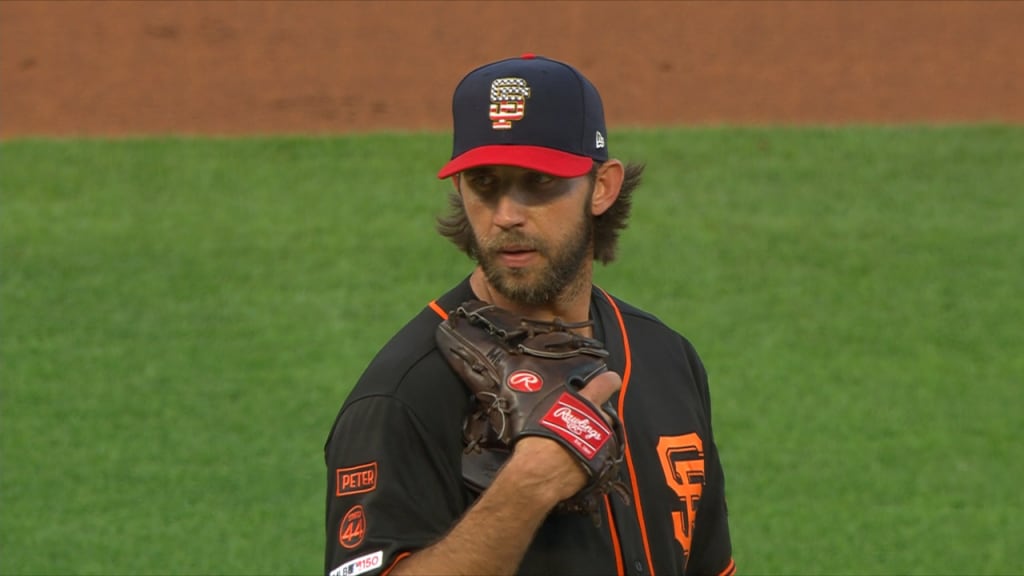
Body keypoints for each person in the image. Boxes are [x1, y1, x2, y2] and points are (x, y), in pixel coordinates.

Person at [324, 53, 734, 576]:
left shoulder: (665, 357)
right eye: (485, 184)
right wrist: (524, 491)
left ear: (601, 187)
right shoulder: (404, 393)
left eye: (539, 182)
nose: (506, 215)